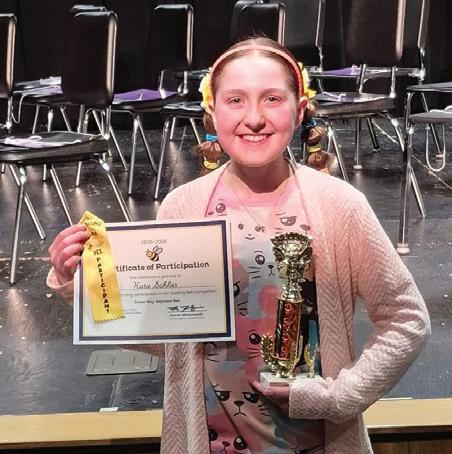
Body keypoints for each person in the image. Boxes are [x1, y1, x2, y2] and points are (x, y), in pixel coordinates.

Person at [47, 37, 430, 454]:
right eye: (235, 100)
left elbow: (406, 319)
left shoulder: (338, 206)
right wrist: (82, 284)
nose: (254, 118)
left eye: (272, 99)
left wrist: (340, 397)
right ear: (212, 112)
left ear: (300, 109)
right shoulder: (184, 207)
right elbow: (173, 337)